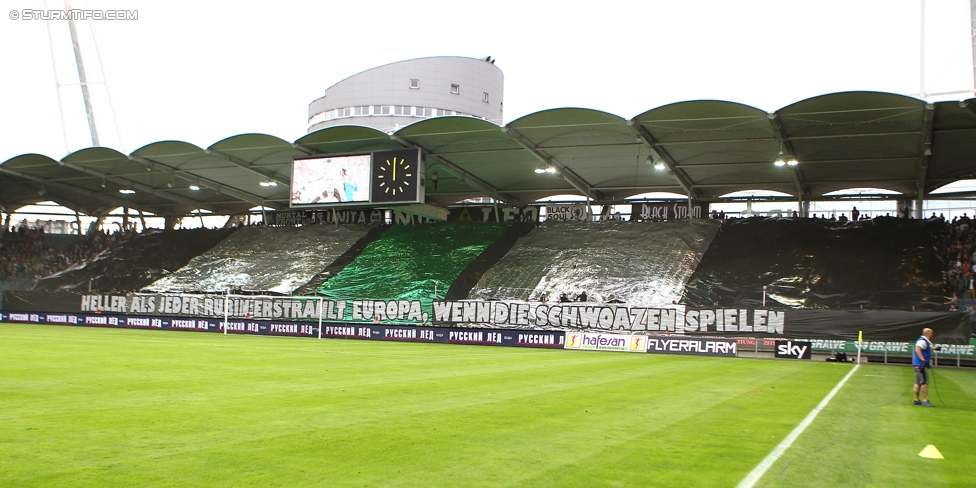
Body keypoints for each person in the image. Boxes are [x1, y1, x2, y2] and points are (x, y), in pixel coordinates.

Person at [912, 327, 940, 407]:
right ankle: (925, 400)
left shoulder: (924, 340)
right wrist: (923, 359)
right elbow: (918, 349)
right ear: (930, 334)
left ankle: (916, 399)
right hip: (921, 365)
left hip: (918, 364)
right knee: (925, 382)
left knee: (918, 382)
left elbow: (928, 347)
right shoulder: (922, 341)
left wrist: (936, 348)